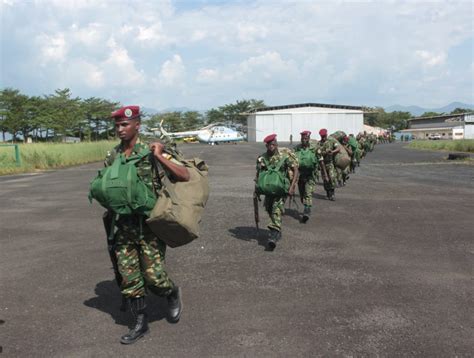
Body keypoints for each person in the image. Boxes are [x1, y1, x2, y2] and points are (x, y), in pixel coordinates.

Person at [104, 105, 190, 344]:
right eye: (117, 125)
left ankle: (171, 293)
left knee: (155, 278)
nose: (119, 129)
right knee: (130, 278)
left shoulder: (152, 149)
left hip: (150, 227)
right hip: (122, 227)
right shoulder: (112, 156)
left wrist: (160, 156)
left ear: (137, 126)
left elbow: (184, 175)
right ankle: (140, 323)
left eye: (124, 125)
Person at [255, 134, 298, 250]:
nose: (271, 147)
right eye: (269, 145)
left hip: (281, 189)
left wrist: (292, 187)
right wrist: (257, 189)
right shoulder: (262, 158)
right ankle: (277, 230)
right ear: (266, 145)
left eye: (273, 144)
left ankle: (273, 235)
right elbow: (258, 174)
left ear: (276, 144)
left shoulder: (284, 156)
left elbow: (295, 169)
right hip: (268, 188)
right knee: (269, 208)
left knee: (276, 209)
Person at [293, 130, 319, 223]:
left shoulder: (314, 149)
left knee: (308, 193)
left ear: (309, 139)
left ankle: (306, 212)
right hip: (300, 175)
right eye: (303, 138)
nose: (304, 140)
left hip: (310, 175)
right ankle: (306, 206)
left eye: (306, 138)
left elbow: (321, 159)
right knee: (302, 195)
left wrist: (324, 173)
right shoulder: (296, 149)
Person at [317, 128, 340, 201]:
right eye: (322, 136)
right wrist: (325, 152)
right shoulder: (319, 144)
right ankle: (328, 193)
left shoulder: (332, 141)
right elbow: (319, 154)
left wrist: (332, 152)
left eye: (324, 136)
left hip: (330, 163)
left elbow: (338, 148)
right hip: (322, 163)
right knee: (325, 180)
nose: (323, 137)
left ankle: (332, 193)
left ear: (326, 135)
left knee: (332, 177)